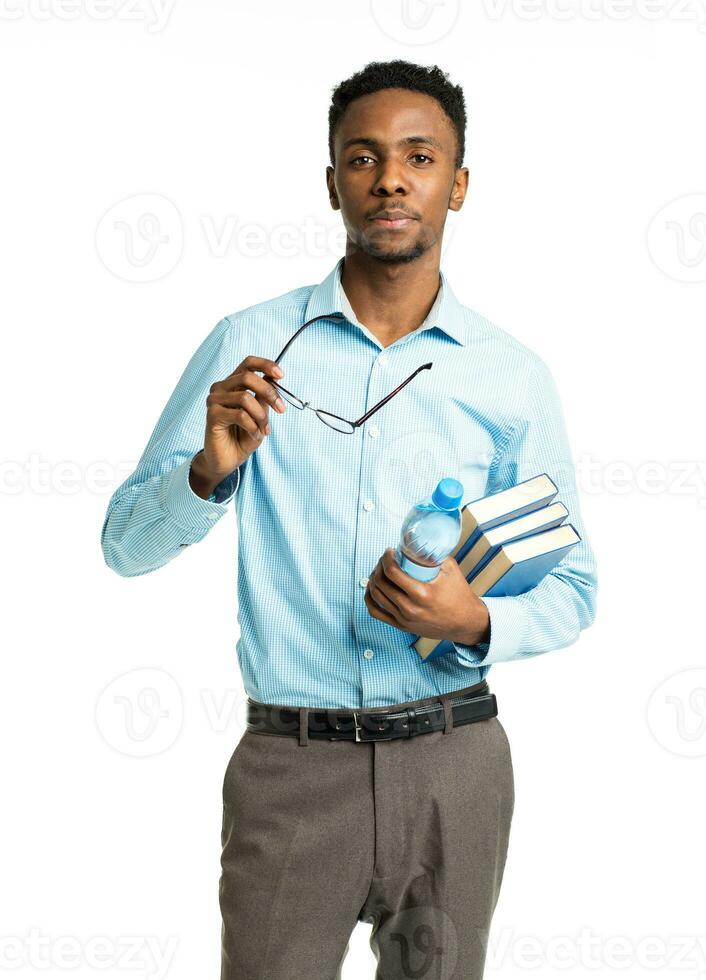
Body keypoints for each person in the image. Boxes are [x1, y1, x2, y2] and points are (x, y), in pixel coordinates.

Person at [101, 59, 598, 980]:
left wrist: (472, 619)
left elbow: (575, 589)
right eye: (363, 158)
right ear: (333, 182)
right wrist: (209, 472)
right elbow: (123, 546)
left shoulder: (511, 375)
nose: (391, 178)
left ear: (458, 183)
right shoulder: (250, 345)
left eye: (419, 155)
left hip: (457, 764)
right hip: (292, 772)